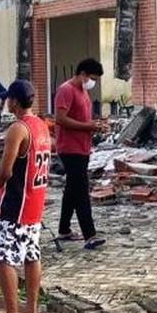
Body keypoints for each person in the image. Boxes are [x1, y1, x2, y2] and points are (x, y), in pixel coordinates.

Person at [0, 80, 50, 313]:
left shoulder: (18, 129)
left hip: (16, 202)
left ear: (13, 101)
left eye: (7, 99)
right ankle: (30, 312)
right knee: (32, 254)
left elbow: (6, 171)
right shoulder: (41, 126)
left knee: (5, 258)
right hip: (35, 201)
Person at [55, 58, 107, 250]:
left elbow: (83, 118)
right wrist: (88, 126)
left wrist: (96, 125)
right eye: (92, 78)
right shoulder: (66, 90)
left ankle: (64, 228)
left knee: (72, 188)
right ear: (83, 74)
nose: (93, 82)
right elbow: (60, 119)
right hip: (69, 148)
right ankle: (89, 234)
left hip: (82, 146)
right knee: (81, 191)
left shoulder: (83, 91)